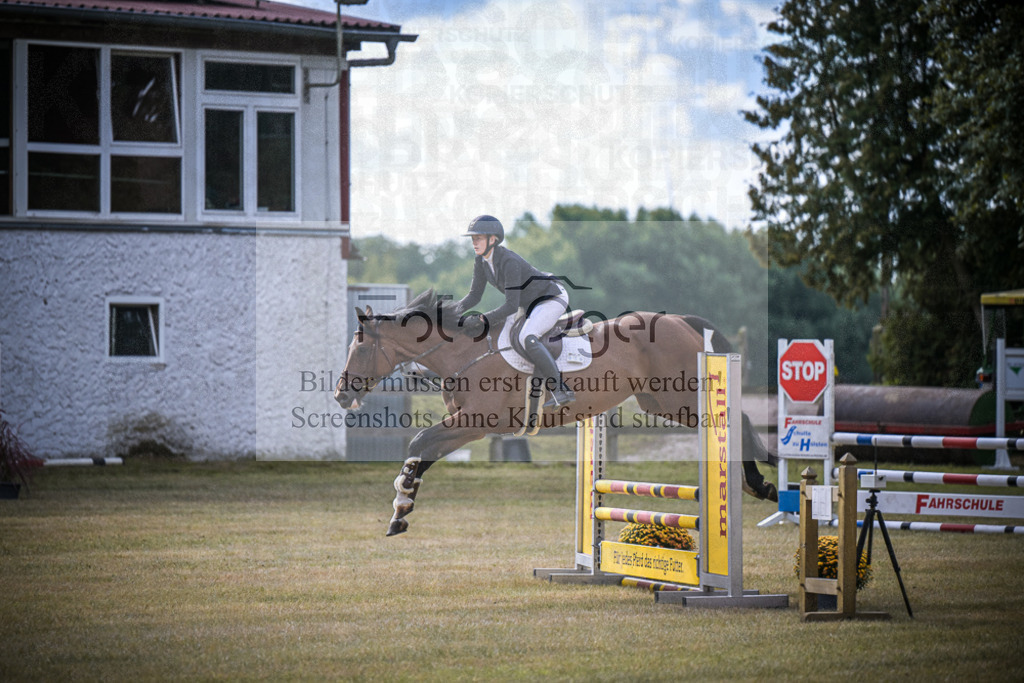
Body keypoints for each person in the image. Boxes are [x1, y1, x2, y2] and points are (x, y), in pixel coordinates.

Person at [452, 215, 575, 407]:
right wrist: (450, 312)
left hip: (550, 298)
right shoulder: (481, 261)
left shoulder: (509, 261)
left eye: (478, 238)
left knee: (528, 336)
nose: (474, 242)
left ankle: (561, 389)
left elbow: (510, 305)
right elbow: (475, 295)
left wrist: (483, 319)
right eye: (472, 238)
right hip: (527, 303)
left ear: (493, 239)